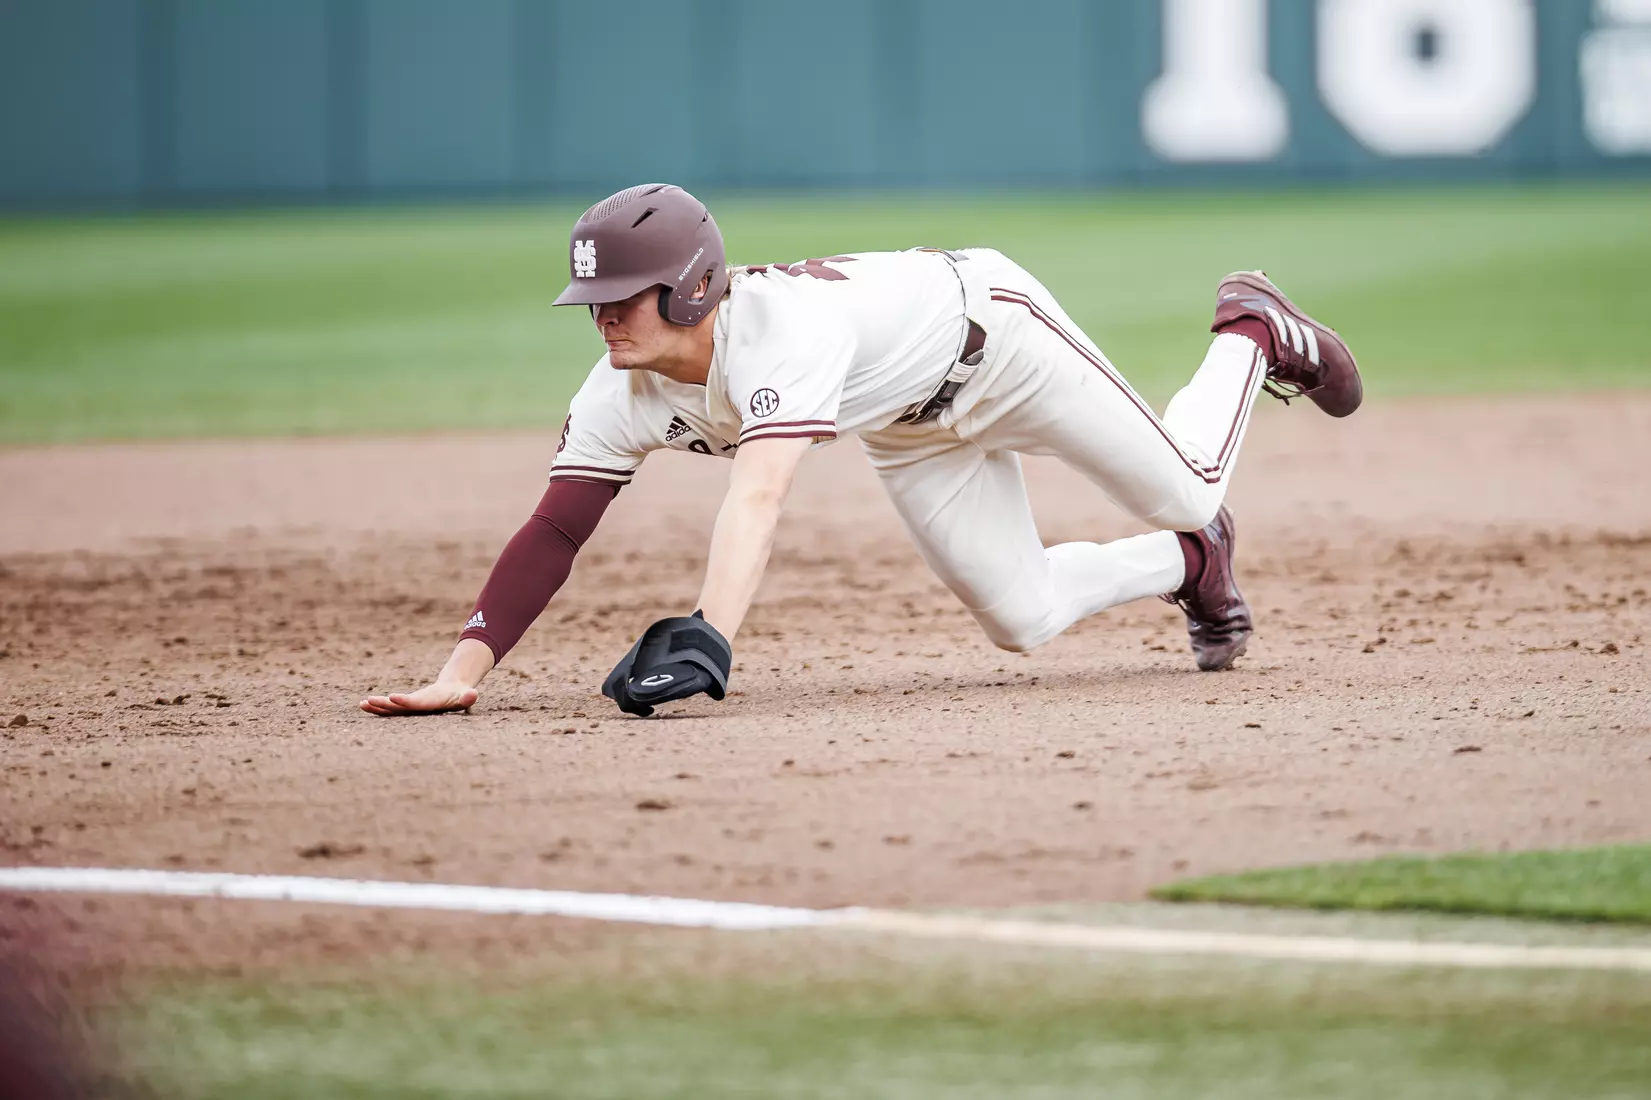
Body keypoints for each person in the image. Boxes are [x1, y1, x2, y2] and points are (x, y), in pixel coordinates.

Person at [361, 183, 1360, 718]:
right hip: (908, 425)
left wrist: (711, 631)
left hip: (999, 341)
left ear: (689, 290)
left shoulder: (778, 336)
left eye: (618, 300)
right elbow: (556, 526)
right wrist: (465, 668)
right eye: (591, 302)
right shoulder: (615, 390)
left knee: (1184, 480)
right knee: (1021, 617)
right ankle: (1191, 561)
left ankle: (1252, 329)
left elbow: (759, 498)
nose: (601, 321)